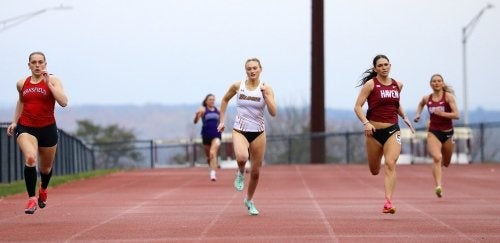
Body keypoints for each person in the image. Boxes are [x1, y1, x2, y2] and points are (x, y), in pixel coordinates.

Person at [6, 51, 68, 214]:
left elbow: (63, 102)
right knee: (31, 158)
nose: (37, 65)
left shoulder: (53, 80)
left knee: (46, 169)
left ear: (45, 64)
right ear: (29, 65)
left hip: (48, 129)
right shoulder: (21, 83)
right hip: (26, 127)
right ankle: (32, 198)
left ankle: (44, 189)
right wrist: (14, 121)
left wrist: (49, 84)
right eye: (34, 62)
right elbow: (21, 101)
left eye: (40, 62)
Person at [354, 54, 415, 214]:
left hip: (393, 130)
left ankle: (388, 202)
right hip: (373, 131)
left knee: (390, 163)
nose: (384, 67)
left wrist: (405, 117)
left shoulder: (398, 85)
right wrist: (366, 123)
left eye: (386, 64)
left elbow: (395, 104)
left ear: (390, 65)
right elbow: (357, 107)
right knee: (374, 170)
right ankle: (376, 167)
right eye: (380, 65)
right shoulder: (370, 85)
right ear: (375, 68)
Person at [217, 57, 277, 216]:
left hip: (258, 132)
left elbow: (273, 112)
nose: (252, 71)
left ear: (260, 69)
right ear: (246, 71)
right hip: (240, 130)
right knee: (242, 157)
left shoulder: (267, 88)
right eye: (249, 68)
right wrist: (222, 121)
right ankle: (241, 172)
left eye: (255, 68)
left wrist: (266, 96)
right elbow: (224, 100)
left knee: (256, 172)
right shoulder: (238, 86)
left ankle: (249, 200)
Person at [413, 74, 459, 198]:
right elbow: (421, 104)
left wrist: (443, 114)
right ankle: (438, 186)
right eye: (434, 81)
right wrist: (418, 115)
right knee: (437, 157)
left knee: (447, 162)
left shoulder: (448, 97)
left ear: (442, 83)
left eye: (439, 81)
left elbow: (456, 115)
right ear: (430, 84)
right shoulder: (427, 98)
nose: (436, 83)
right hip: (433, 131)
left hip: (448, 132)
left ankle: (440, 169)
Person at [193, 94, 222, 181]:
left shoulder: (218, 110)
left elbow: (221, 121)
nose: (212, 101)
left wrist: (221, 126)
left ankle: (213, 173)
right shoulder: (203, 109)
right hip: (206, 135)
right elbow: (195, 121)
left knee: (213, 152)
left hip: (216, 135)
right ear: (206, 101)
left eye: (213, 99)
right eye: (210, 99)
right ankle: (212, 167)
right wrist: (197, 115)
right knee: (209, 157)